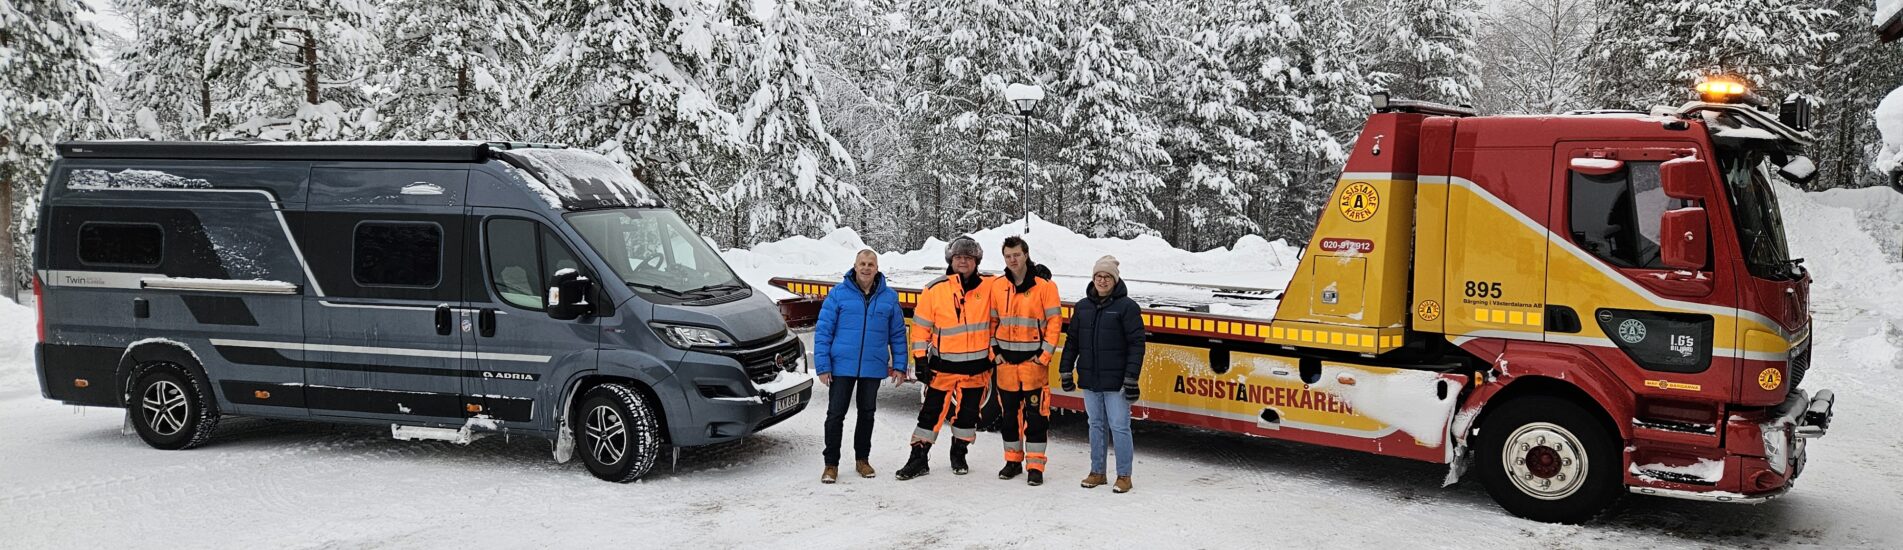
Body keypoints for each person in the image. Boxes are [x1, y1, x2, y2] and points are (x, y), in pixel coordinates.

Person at [895, 235, 999, 480]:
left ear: (977, 261)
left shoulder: (991, 286)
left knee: (968, 415)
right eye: (958, 257)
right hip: (943, 368)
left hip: (976, 369)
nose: (963, 262)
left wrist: (1035, 275)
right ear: (951, 260)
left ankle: (959, 453)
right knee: (930, 415)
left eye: (969, 258)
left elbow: (1015, 285)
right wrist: (920, 359)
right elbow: (921, 327)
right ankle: (918, 458)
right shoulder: (935, 289)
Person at [813, 250, 909, 484]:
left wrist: (899, 365)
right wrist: (823, 366)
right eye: (862, 264)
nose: (866, 268)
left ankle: (862, 460)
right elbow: (823, 332)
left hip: (872, 366)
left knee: (867, 414)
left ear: (877, 268)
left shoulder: (889, 297)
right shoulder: (838, 295)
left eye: (871, 264)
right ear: (855, 266)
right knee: (836, 415)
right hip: (841, 366)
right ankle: (831, 464)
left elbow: (897, 334)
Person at [1058, 255, 1145, 493]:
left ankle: (1124, 475)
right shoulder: (1083, 307)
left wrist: (1131, 377)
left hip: (1116, 381)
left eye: (1107, 277)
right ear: (1093, 278)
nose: (1102, 281)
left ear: (1115, 280)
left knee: (1119, 426)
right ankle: (1097, 472)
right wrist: (1065, 369)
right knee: (1095, 424)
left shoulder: (1127, 307)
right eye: (1098, 276)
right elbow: (1073, 341)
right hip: (1090, 378)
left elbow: (1137, 345)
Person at [985, 236, 1062, 486]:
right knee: (1009, 417)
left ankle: (1036, 466)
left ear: (1026, 255)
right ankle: (1012, 461)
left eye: (1017, 254)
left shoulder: (1045, 287)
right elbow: (991, 322)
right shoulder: (997, 286)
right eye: (1008, 256)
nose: (1013, 260)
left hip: (1033, 364)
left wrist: (1045, 356)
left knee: (1036, 417)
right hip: (1006, 364)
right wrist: (993, 353)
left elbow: (1054, 323)